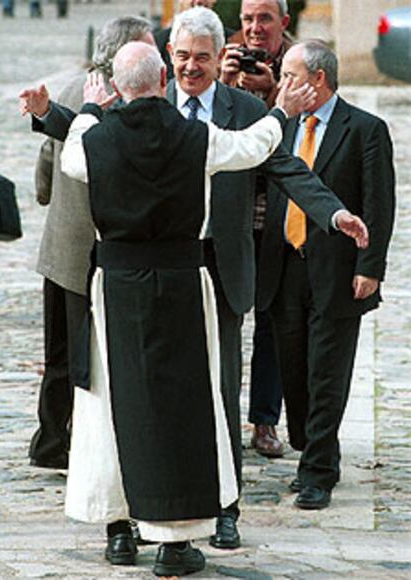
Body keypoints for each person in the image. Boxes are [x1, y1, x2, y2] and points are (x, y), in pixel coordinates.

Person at [20, 40, 318, 577]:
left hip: (116, 288)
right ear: (162, 80)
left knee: (112, 407)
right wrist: (282, 111)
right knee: (186, 410)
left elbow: (71, 158)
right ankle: (176, 543)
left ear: (118, 88)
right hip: (183, 284)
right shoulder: (195, 135)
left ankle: (119, 532)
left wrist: (90, 108)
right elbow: (252, 147)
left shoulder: (96, 136)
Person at [165, 6, 368, 549]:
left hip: (224, 267)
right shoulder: (152, 105)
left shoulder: (243, 108)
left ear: (216, 57)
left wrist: (332, 213)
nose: (192, 68)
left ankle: (224, 506)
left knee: (224, 388)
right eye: (182, 57)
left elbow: (284, 166)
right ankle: (162, 502)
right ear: (170, 57)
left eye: (202, 58)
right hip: (162, 270)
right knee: (166, 391)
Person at [26, 15, 155, 566]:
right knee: (87, 359)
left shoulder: (72, 91)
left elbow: (43, 179)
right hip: (92, 251)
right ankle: (76, 448)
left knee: (62, 355)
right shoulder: (122, 102)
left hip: (63, 247)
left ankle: (52, 444)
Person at [258, 40, 395, 510]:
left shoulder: (365, 130)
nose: (283, 86)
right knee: (294, 371)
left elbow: (379, 203)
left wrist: (370, 267)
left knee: (327, 375)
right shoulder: (281, 126)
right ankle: (312, 446)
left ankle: (318, 471)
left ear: (318, 79)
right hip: (284, 266)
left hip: (337, 271)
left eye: (291, 76)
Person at [221, 0, 292, 463]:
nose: (254, 29)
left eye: (264, 18)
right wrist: (225, 86)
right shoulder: (220, 58)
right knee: (223, 319)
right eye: (247, 19)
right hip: (229, 214)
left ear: (284, 22)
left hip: (277, 218)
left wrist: (272, 99)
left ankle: (264, 421)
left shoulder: (300, 64)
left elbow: (307, 140)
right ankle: (220, 416)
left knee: (272, 321)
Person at [154, 0, 236, 81]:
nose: (199, 1)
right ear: (171, 52)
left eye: (202, 57)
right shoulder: (156, 44)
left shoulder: (235, 42)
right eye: (183, 56)